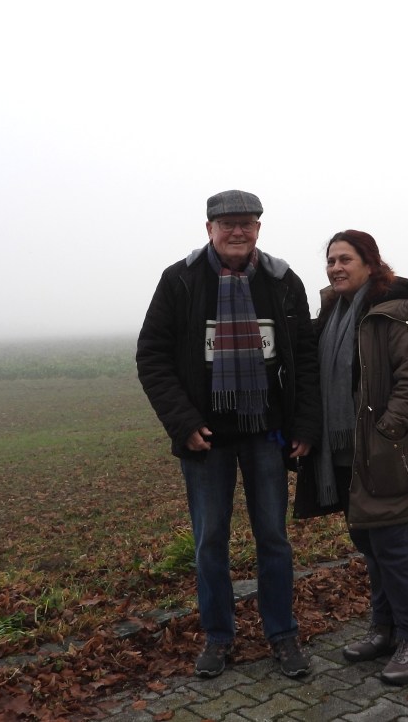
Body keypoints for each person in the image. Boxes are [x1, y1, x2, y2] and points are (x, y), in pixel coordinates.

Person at [136, 190, 322, 679]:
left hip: (266, 432)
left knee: (274, 538)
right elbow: (152, 356)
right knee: (210, 541)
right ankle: (218, 636)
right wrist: (182, 422)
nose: (237, 231)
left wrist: (304, 424)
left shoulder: (283, 281)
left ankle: (282, 634)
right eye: (227, 223)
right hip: (206, 437)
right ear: (209, 229)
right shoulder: (180, 280)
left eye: (247, 223)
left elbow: (305, 357)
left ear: (258, 228)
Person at [294, 229, 408, 686]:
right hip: (345, 453)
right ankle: (384, 629)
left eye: (345, 259)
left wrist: (387, 430)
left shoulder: (395, 311)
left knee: (393, 547)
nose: (335, 268)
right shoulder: (333, 312)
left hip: (388, 451)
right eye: (331, 260)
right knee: (370, 545)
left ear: (370, 263)